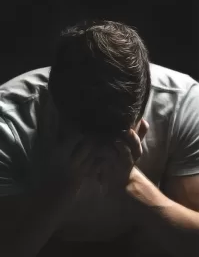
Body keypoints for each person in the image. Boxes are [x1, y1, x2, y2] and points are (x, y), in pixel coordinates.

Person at [0, 20, 199, 257]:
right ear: (53, 99)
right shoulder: (8, 121)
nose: (99, 152)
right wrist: (60, 190)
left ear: (143, 106)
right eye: (84, 135)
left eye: (117, 137)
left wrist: (131, 184)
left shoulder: (183, 103)